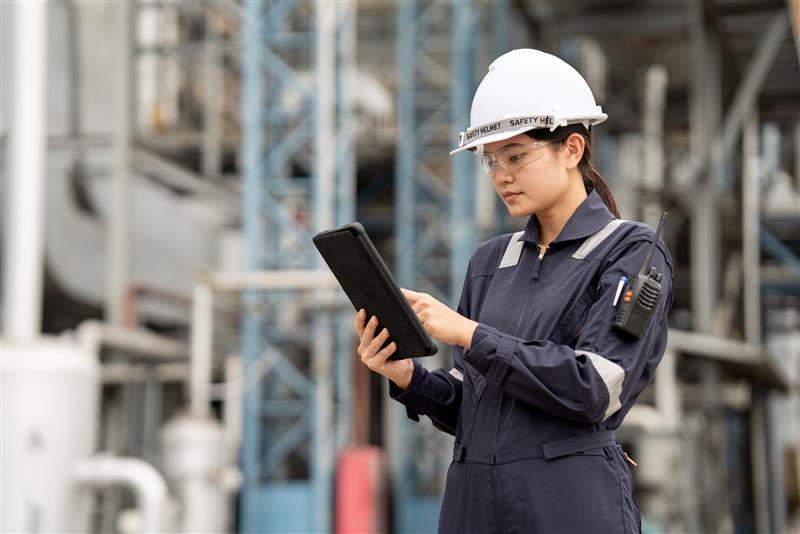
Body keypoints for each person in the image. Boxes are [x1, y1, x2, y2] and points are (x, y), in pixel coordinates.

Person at [354, 48, 673, 533]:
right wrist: (408, 378)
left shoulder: (631, 251)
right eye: (491, 160)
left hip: (567, 506)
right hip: (473, 505)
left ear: (572, 148)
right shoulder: (490, 261)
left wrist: (470, 334)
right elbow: (471, 406)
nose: (501, 175)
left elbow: (596, 389)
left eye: (517, 156)